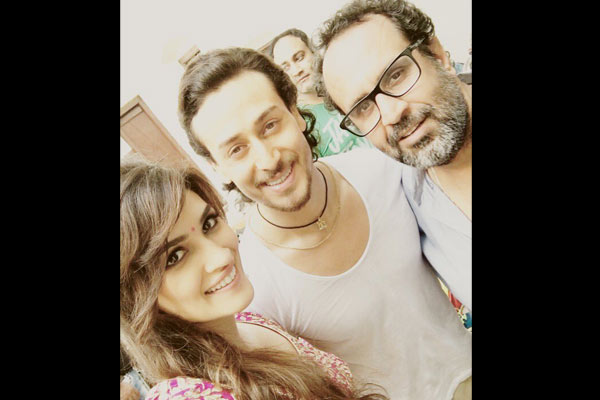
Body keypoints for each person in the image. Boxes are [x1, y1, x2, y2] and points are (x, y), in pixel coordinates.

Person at [178, 47, 472, 400]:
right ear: (217, 167)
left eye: (270, 126)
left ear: (296, 113)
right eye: (236, 150)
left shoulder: (381, 171)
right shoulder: (254, 287)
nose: (268, 160)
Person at [120, 156, 388, 400]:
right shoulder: (187, 395)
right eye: (175, 257)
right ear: (134, 296)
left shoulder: (249, 321)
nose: (221, 257)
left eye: (209, 224)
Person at [314, 0, 473, 314]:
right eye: (363, 107)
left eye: (396, 75)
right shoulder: (405, 201)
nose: (391, 114)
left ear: (437, 55)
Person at [266, 28, 373, 157]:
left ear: (313, 53)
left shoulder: (343, 86)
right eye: (286, 68)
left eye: (299, 58)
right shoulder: (300, 123)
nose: (296, 71)